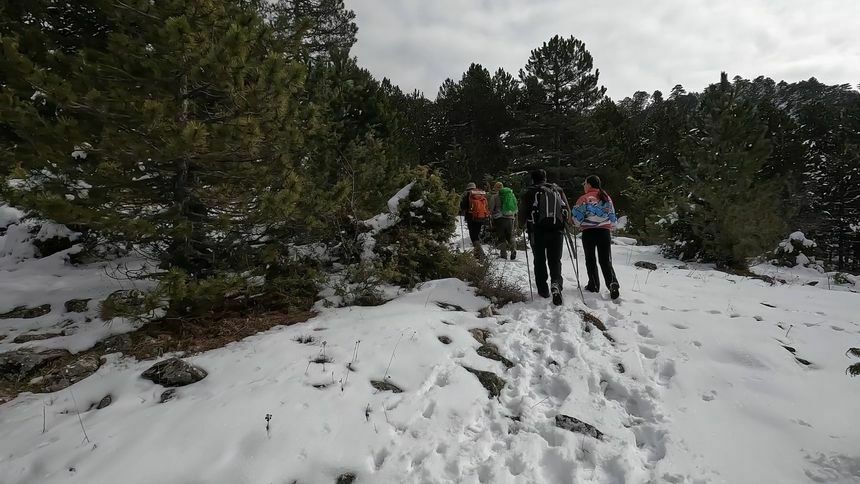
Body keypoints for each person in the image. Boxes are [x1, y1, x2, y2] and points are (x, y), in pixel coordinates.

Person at [518, 169, 571, 306]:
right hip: (557, 231)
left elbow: (522, 213)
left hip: (537, 231)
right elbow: (567, 212)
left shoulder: (530, 192)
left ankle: (543, 289)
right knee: (555, 260)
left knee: (539, 260)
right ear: (545, 178)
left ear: (532, 179)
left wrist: (520, 226)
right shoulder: (557, 190)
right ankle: (556, 284)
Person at [572, 175, 620, 300]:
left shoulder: (584, 199)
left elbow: (576, 219)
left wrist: (578, 222)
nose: (583, 186)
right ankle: (612, 283)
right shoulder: (606, 198)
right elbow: (613, 218)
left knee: (591, 259)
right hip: (604, 232)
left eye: (584, 183)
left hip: (589, 232)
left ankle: (593, 285)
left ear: (589, 184)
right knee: (605, 260)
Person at [459, 182, 490, 258]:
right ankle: (477, 254)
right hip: (481, 217)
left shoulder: (467, 194)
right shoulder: (481, 194)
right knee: (476, 235)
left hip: (471, 218)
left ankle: (481, 254)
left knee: (473, 237)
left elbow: (463, 206)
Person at [490, 181, 517, 260]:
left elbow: (491, 208)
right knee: (510, 235)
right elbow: (515, 206)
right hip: (510, 218)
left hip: (499, 219)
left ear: (495, 188)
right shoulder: (510, 194)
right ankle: (513, 249)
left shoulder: (495, 196)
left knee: (501, 237)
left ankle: (503, 254)